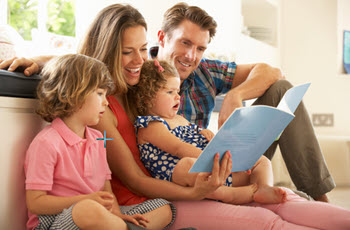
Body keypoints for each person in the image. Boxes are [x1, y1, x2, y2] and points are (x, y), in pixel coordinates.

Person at [2, 3, 350, 230]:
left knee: (283, 200)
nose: (138, 59)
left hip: (192, 179)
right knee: (265, 219)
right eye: (128, 52)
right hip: (172, 188)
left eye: (141, 51)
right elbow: (83, 64)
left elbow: (270, 71)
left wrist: (235, 99)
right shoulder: (105, 105)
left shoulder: (146, 77)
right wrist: (44, 60)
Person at [151, 2, 335, 202]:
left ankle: (319, 197)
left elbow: (272, 72)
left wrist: (235, 95)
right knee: (295, 199)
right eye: (185, 43)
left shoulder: (205, 71)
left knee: (282, 89)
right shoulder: (141, 77)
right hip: (182, 173)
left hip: (221, 160)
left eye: (200, 48)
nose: (191, 56)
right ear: (162, 37)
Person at [132, 59, 287, 205]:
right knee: (187, 165)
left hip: (214, 169)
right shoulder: (150, 125)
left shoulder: (179, 119)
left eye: (178, 91)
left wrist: (205, 133)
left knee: (261, 160)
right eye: (170, 92)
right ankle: (229, 194)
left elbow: (196, 133)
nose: (178, 97)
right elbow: (179, 149)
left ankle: (263, 187)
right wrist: (216, 163)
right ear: (147, 98)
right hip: (187, 175)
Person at [24, 54, 149, 230]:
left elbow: (107, 191)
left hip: (91, 214)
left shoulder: (98, 139)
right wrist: (84, 200)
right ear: (74, 94)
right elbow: (35, 203)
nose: (106, 102)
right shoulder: (46, 143)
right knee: (87, 209)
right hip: (52, 222)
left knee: (164, 208)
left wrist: (117, 216)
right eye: (99, 94)